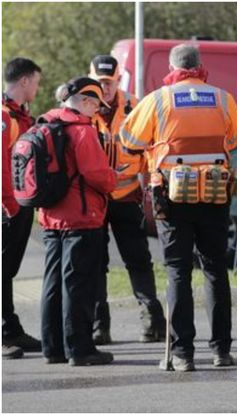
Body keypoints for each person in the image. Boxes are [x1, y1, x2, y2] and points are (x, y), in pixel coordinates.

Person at [119, 44, 237, 372]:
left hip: (171, 195)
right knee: (215, 268)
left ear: (172, 68)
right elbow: (234, 140)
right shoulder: (223, 98)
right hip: (214, 192)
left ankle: (182, 354)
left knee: (178, 270)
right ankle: (221, 351)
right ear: (200, 66)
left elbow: (128, 140)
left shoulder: (158, 99)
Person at [87, 55, 166, 345]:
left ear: (119, 80)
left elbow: (152, 147)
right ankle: (100, 326)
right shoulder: (82, 106)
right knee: (96, 262)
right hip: (94, 199)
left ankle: (153, 322)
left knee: (138, 260)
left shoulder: (135, 106)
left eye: (110, 82)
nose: (105, 88)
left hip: (127, 195)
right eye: (100, 82)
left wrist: (153, 185)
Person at [40, 77, 117, 366]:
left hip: (51, 216)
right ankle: (80, 349)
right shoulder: (83, 131)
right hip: (81, 217)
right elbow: (96, 174)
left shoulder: (46, 123)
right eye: (96, 104)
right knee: (78, 286)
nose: (97, 110)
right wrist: (114, 178)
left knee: (53, 284)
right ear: (84, 101)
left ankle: (53, 348)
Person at [2, 57, 42, 359]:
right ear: (24, 81)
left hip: (20, 204)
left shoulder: (21, 116)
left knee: (7, 270)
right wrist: (9, 204)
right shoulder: (5, 118)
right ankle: (6, 333)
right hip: (9, 206)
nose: (37, 89)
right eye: (36, 82)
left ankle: (11, 329)